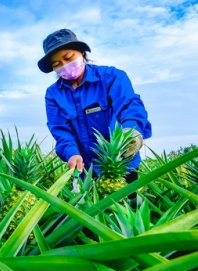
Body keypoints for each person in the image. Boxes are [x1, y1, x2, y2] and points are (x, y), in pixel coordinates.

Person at [37, 29, 152, 191]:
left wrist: (132, 132)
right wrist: (71, 153)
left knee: (129, 210)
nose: (64, 66)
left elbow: (129, 105)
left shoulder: (112, 77)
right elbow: (60, 129)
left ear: (82, 53)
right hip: (85, 169)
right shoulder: (53, 94)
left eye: (68, 58)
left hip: (122, 166)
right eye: (57, 64)